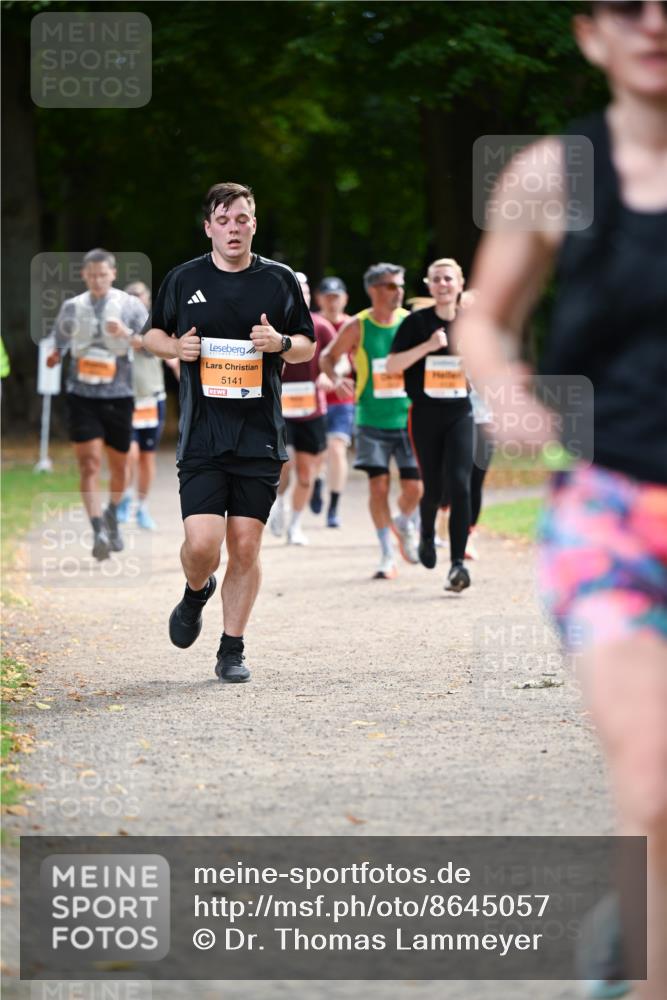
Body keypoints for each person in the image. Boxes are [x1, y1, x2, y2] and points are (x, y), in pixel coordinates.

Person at [456, 4, 667, 996]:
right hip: (611, 509)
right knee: (657, 783)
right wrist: (507, 395)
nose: (654, 22)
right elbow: (484, 316)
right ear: (590, 34)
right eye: (629, 5)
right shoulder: (552, 172)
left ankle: (631, 928)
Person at [142, 182, 315, 684]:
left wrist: (279, 341)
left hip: (260, 434)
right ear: (209, 228)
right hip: (203, 434)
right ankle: (196, 591)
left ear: (253, 224)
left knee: (245, 545)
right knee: (203, 544)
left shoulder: (280, 280)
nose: (233, 228)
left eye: (242, 219)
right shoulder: (183, 278)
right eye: (224, 220)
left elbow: (306, 344)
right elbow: (153, 335)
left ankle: (232, 647)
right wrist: (177, 348)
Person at [320, 263, 422, 579]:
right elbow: (327, 357)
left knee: (415, 489)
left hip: (408, 418)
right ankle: (386, 554)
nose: (399, 292)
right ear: (374, 290)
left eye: (400, 285)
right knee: (378, 487)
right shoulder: (357, 326)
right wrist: (336, 380)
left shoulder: (410, 322)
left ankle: (403, 523)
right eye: (392, 286)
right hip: (371, 420)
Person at [45, 248, 148, 561]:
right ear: (84, 276)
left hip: (118, 397)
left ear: (113, 274)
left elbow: (152, 343)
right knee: (89, 463)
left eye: (103, 275)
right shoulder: (72, 307)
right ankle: (97, 530)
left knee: (121, 466)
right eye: (92, 275)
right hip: (82, 396)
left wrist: (128, 334)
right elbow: (58, 340)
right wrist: (55, 355)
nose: (98, 280)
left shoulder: (130, 306)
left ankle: (112, 513)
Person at [386, 258, 473, 592]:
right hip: (424, 413)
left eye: (448, 278)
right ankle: (424, 534)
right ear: (429, 285)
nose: (443, 284)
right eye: (436, 279)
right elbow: (393, 365)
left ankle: (458, 565)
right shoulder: (416, 323)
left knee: (461, 484)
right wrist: (428, 346)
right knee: (433, 487)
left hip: (460, 411)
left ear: (459, 284)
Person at [268, 272, 336, 545]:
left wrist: (330, 374)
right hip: (280, 408)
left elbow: (339, 358)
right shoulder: (271, 327)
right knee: (284, 467)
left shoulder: (320, 326)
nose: (301, 295)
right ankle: (279, 503)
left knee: (307, 475)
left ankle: (295, 525)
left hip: (312, 409)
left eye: (305, 291)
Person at [116, 280, 179, 531]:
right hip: (125, 400)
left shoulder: (156, 326)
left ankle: (141, 505)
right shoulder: (114, 326)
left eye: (139, 296)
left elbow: (165, 350)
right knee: (128, 454)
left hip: (152, 399)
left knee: (146, 457)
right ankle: (123, 500)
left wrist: (177, 369)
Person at [311, 276, 353, 528]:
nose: (332, 301)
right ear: (319, 299)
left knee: (337, 449)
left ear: (345, 299)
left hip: (342, 398)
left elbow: (348, 359)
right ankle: (315, 482)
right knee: (317, 455)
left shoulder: (351, 325)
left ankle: (334, 506)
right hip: (312, 399)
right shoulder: (311, 323)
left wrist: (335, 376)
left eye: (336, 297)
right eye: (327, 297)